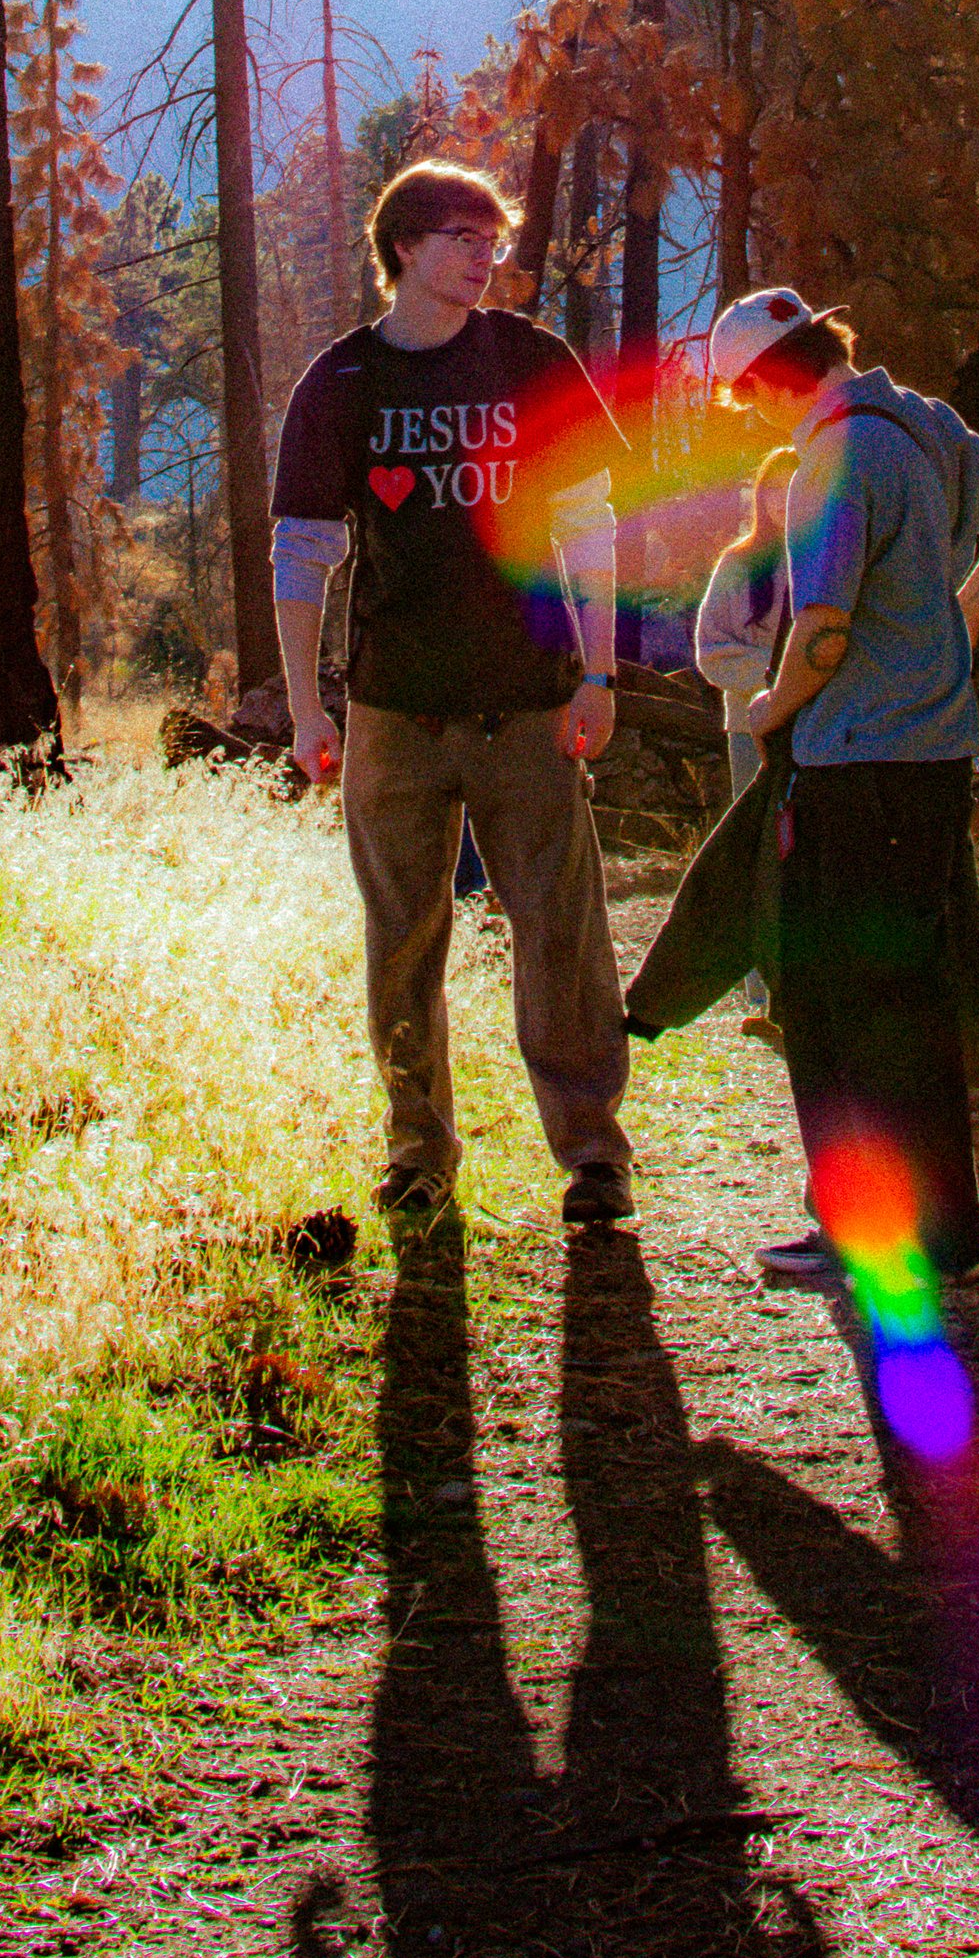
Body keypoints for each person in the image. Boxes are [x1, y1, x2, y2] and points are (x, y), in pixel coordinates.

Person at [271, 158, 636, 1228]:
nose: (486, 258)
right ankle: (417, 1154)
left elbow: (589, 529)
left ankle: (592, 1158)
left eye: (492, 240)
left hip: (528, 702)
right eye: (463, 239)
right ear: (403, 251)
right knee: (402, 941)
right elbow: (301, 559)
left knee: (560, 936)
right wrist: (306, 707)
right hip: (394, 716)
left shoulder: (532, 360)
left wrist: (600, 672)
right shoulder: (340, 385)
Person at [706, 287, 979, 1291]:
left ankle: (859, 1239)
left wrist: (771, 708)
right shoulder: (924, 420)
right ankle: (946, 1240)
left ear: (769, 380)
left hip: (854, 765)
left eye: (745, 398)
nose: (751, 417)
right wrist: (966, 615)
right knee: (909, 1000)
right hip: (940, 760)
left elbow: (821, 627)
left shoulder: (830, 456)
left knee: (825, 1005)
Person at [691, 445, 797, 1030]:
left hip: (821, 729)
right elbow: (710, 651)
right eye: (773, 491)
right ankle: (761, 991)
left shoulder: (828, 557)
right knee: (758, 852)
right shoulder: (739, 564)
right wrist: (774, 673)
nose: (783, 502)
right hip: (749, 729)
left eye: (794, 488)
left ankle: (805, 988)